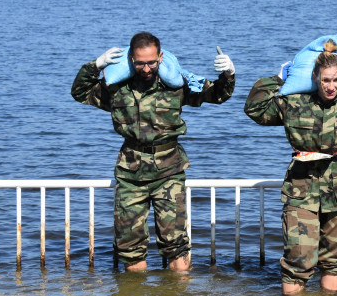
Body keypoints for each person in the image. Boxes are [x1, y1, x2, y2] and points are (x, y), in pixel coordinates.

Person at [71, 32, 235, 272]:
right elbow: (80, 93)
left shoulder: (177, 84)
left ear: (160, 56)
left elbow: (218, 95)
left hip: (169, 172)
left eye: (151, 62)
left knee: (176, 246)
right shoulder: (117, 88)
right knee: (130, 248)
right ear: (130, 58)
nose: (146, 69)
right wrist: (94, 66)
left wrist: (228, 74)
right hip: (130, 175)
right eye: (140, 63)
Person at [244, 42, 337, 296]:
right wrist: (277, 78)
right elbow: (254, 109)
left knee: (334, 261)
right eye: (326, 79)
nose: (331, 86)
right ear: (315, 77)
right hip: (301, 189)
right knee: (298, 259)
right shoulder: (294, 103)